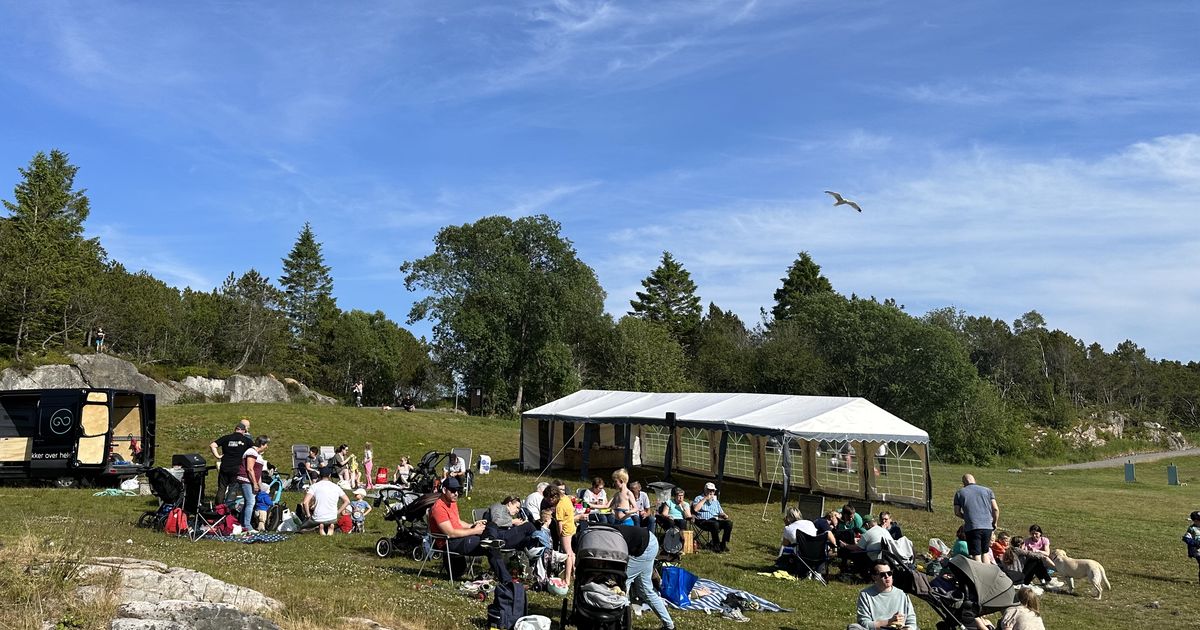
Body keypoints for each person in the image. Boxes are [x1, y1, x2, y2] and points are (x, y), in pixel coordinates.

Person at [614, 523, 675, 630]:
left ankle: (619, 623)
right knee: (645, 590)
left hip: (645, 547)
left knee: (622, 585)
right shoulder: (603, 532)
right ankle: (669, 626)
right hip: (649, 541)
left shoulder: (602, 534)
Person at [847, 562, 918, 630]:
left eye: (889, 573)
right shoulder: (865, 594)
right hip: (877, 628)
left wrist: (909, 628)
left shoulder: (902, 594)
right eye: (882, 575)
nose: (887, 576)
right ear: (874, 577)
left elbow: (911, 619)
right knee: (853, 627)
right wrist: (889, 622)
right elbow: (864, 623)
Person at [953, 474, 999, 563]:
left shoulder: (960, 493)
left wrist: (966, 517)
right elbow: (995, 509)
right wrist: (994, 522)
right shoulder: (988, 491)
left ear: (964, 483)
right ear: (975, 480)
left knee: (976, 554)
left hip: (972, 527)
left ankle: (978, 574)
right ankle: (987, 573)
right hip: (987, 526)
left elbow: (957, 512)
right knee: (985, 552)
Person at [209, 422, 252, 504]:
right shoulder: (246, 440)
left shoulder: (226, 438)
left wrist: (218, 456)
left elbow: (212, 445)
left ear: (235, 429)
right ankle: (228, 508)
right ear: (244, 431)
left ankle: (218, 508)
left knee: (221, 488)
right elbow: (255, 449)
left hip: (224, 467)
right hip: (237, 468)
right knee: (233, 489)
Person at [235, 435, 270, 534]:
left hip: (251, 481)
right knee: (250, 502)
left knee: (248, 503)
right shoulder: (251, 452)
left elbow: (257, 471)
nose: (267, 447)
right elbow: (250, 469)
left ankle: (242, 524)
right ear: (262, 444)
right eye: (266, 444)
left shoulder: (257, 454)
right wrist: (254, 483)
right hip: (246, 480)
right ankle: (247, 526)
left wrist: (259, 485)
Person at [545, 481, 577, 585]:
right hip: (572, 527)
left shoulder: (559, 507)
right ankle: (574, 574)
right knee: (572, 553)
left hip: (565, 531)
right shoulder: (566, 498)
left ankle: (566, 580)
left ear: (553, 497)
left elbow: (559, 524)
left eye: (549, 498)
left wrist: (559, 535)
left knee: (567, 554)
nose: (548, 501)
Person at [304, 467, 350, 535]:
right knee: (329, 520)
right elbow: (347, 501)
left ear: (319, 475)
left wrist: (308, 515)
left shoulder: (314, 486)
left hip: (317, 518)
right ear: (329, 475)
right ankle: (329, 527)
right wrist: (338, 512)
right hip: (333, 517)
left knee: (303, 528)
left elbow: (305, 502)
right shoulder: (336, 487)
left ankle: (320, 527)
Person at [692, 482, 733, 552]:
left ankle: (723, 544)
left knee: (729, 523)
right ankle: (716, 545)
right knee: (715, 524)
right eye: (709, 490)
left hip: (714, 520)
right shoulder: (699, 498)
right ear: (705, 490)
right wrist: (705, 499)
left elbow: (720, 512)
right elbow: (696, 509)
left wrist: (724, 515)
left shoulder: (715, 501)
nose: (711, 492)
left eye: (713, 491)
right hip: (702, 520)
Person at [1183, 510, 1200, 584]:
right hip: (1197, 550)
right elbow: (1186, 538)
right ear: (1195, 521)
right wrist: (1195, 543)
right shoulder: (1192, 529)